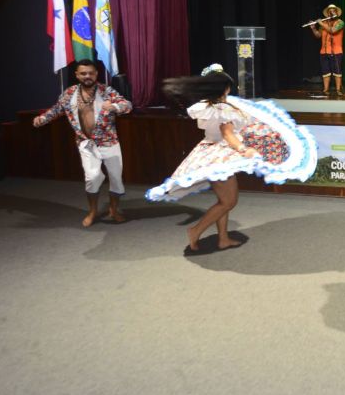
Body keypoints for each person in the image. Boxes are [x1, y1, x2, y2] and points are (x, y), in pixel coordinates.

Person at [146, 64, 318, 252]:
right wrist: (244, 149)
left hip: (210, 152)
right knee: (229, 201)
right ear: (224, 88)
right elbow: (227, 133)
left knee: (223, 200)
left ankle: (223, 238)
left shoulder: (207, 106)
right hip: (221, 155)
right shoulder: (222, 109)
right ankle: (195, 231)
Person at [33, 59, 132, 227]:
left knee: (116, 178)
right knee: (92, 178)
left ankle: (114, 210)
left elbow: (127, 105)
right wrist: (42, 118)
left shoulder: (106, 91)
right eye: (83, 73)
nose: (88, 76)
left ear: (96, 74)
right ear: (77, 75)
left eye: (91, 73)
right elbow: (57, 109)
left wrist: (114, 106)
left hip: (109, 142)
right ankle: (92, 211)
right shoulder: (70, 93)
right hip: (86, 143)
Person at [309, 4, 345, 96]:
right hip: (324, 51)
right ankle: (326, 89)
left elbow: (332, 30)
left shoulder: (340, 23)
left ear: (337, 13)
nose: (332, 12)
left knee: (337, 72)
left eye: (334, 11)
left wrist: (321, 23)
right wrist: (313, 28)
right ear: (328, 14)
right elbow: (318, 35)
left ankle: (338, 90)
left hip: (336, 51)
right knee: (326, 72)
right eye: (330, 11)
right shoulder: (324, 24)